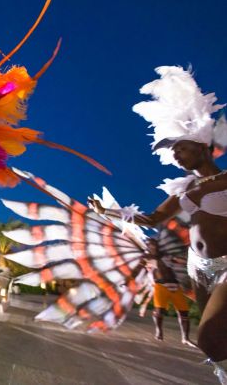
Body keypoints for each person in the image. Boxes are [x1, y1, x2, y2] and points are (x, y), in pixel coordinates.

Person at [89, 66, 227, 382]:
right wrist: (106, 212)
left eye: (181, 146)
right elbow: (152, 219)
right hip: (199, 267)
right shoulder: (185, 189)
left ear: (202, 145)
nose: (176, 155)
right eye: (172, 150)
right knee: (216, 343)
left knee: (208, 336)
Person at [142, 239, 193, 344]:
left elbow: (179, 261)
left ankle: (185, 338)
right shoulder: (147, 257)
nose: (152, 247)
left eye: (154, 245)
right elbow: (139, 267)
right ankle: (159, 331)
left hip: (175, 285)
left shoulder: (167, 255)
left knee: (184, 312)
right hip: (160, 286)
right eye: (150, 245)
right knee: (160, 310)